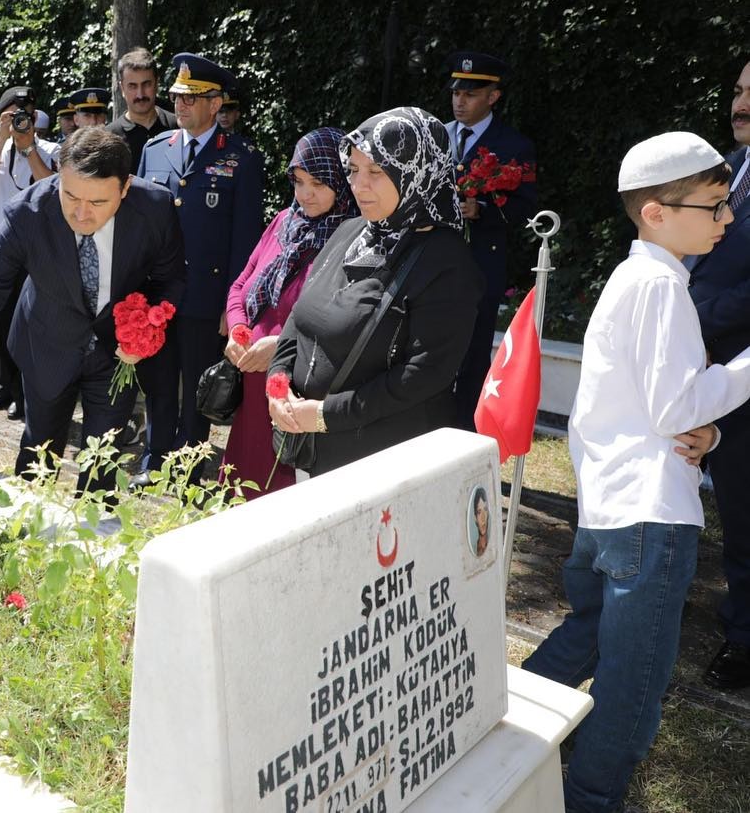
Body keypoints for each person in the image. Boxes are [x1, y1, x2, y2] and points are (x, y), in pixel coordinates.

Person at [523, 131, 743, 813]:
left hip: (615, 506)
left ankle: (495, 733)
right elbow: (676, 401)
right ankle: (588, 800)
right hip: (651, 514)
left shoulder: (638, 278)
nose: (727, 218)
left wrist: (699, 421)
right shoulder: (657, 287)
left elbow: (658, 402)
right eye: (712, 206)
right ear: (655, 212)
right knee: (632, 684)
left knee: (583, 637)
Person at [0, 127, 185, 492]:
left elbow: (170, 280)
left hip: (117, 356)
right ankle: (26, 536)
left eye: (97, 203)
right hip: (45, 342)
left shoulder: (156, 208)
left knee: (102, 465)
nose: (81, 214)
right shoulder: (27, 212)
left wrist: (146, 326)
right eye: (70, 195)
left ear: (125, 188)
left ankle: (94, 537)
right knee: (38, 457)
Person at [266, 106, 482, 475]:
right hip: (314, 452)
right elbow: (298, 323)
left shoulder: (447, 261)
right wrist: (278, 383)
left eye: (376, 172)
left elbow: (425, 373)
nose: (358, 184)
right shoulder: (350, 232)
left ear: (416, 173)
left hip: (386, 467)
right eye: (353, 170)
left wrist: (325, 415)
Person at [135, 53, 264, 484]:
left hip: (205, 296)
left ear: (216, 103)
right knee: (156, 379)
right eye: (178, 96)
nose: (182, 105)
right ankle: (153, 460)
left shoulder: (242, 159)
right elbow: (138, 220)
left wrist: (234, 306)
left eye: (193, 97)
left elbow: (246, 243)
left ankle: (187, 468)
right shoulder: (155, 149)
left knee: (196, 383)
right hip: (157, 292)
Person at [220, 127, 358, 497]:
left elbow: (341, 321)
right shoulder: (285, 222)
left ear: (343, 181)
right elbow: (241, 285)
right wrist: (238, 331)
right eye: (298, 181)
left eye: (319, 182)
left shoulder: (352, 237)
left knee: (280, 493)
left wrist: (277, 346)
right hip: (252, 384)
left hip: (296, 387)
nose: (306, 193)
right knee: (241, 489)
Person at [689, 58, 750, 690]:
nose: (741, 103)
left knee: (745, 500)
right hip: (709, 358)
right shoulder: (729, 175)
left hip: (739, 363)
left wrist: (698, 322)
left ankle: (744, 640)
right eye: (737, 90)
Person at [442, 51, 538, 430]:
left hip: (481, 262)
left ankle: (463, 429)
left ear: (493, 97)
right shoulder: (440, 136)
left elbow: (525, 206)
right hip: (437, 258)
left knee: (472, 347)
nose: (459, 101)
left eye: (470, 94)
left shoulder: (513, 146)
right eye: (455, 93)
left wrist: (481, 210)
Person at [0, 85, 60, 421]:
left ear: (35, 117)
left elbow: (51, 186)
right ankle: (6, 386)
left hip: (36, 241)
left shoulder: (50, 149)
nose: (22, 120)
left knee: (31, 319)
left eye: (27, 114)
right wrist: (1, 137)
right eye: (14, 115)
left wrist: (29, 148)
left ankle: (27, 393)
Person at [106, 47, 178, 171]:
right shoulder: (109, 138)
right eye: (132, 86)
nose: (140, 94)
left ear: (156, 84)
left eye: (146, 84)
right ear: (122, 88)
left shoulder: (178, 128)